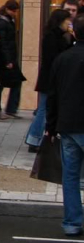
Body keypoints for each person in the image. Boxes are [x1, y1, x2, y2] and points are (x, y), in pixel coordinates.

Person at [46, 15, 84, 237]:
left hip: (68, 124)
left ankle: (72, 221)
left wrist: (51, 126)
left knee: (70, 176)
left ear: (75, 33)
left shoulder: (62, 59)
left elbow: (53, 96)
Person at [25, 9, 73, 152]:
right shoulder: (51, 37)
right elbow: (54, 58)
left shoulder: (59, 36)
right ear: (60, 21)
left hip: (50, 78)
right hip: (49, 79)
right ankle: (35, 139)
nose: (69, 24)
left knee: (44, 109)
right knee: (44, 109)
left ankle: (34, 138)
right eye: (67, 21)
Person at [0, 0, 26, 118]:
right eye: (14, 11)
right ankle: (3, 109)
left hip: (8, 58)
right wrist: (8, 60)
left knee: (6, 83)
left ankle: (5, 109)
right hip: (5, 59)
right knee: (3, 84)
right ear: (7, 9)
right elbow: (3, 43)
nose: (15, 13)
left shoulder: (8, 21)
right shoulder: (3, 23)